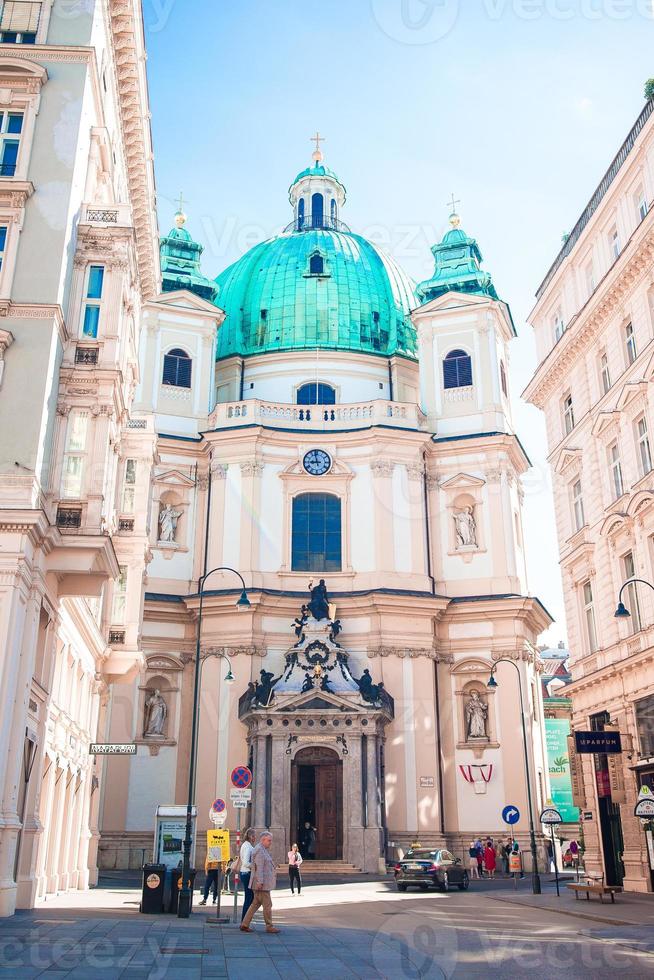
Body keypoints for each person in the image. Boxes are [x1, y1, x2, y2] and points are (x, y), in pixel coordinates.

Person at [240, 832, 280, 934]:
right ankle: (269, 926)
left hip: (261, 883)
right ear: (263, 840)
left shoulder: (262, 849)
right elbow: (259, 868)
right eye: (269, 840)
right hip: (262, 884)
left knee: (255, 904)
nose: (270, 843)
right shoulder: (260, 851)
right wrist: (260, 882)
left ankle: (244, 924)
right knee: (267, 905)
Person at [239, 827, 256, 922]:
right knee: (249, 898)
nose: (255, 838)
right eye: (254, 836)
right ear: (250, 836)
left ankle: (245, 920)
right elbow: (245, 862)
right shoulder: (247, 846)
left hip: (245, 873)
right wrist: (254, 866)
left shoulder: (247, 845)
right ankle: (244, 921)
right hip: (246, 874)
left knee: (250, 898)